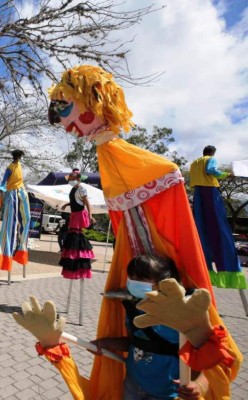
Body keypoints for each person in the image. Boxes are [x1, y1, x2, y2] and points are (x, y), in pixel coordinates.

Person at [18, 64, 241, 398]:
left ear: (93, 103)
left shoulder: (145, 167)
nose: (64, 123)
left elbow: (211, 361)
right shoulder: (109, 164)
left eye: (65, 108)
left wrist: (198, 384)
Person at [92, 255, 209, 400]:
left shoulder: (184, 314)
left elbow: (211, 359)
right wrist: (105, 343)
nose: (133, 282)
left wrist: (199, 386)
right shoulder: (133, 309)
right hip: (133, 386)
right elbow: (134, 343)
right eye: (131, 277)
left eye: (141, 278)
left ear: (164, 282)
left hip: (169, 393)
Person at [189, 146, 246, 289]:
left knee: (201, 227)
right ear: (213, 153)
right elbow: (211, 171)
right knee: (218, 225)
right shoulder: (210, 159)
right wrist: (225, 175)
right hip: (209, 191)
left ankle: (205, 270)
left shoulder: (195, 163)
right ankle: (228, 270)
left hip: (198, 194)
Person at [0, 149, 31, 271]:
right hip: (12, 194)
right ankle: (6, 256)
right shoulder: (10, 167)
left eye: (19, 156)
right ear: (14, 156)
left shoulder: (19, 165)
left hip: (21, 192)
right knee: (10, 225)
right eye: (16, 156)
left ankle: (21, 249)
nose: (17, 158)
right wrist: (0, 190)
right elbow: (4, 181)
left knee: (27, 218)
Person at [59, 171, 95, 279]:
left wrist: (90, 215)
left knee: (76, 234)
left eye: (72, 178)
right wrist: (66, 204)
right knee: (72, 233)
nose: (70, 180)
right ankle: (73, 255)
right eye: (70, 178)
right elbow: (75, 200)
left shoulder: (81, 189)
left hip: (79, 214)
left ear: (78, 179)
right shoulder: (73, 189)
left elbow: (86, 203)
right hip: (74, 213)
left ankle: (78, 255)